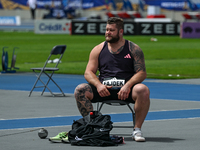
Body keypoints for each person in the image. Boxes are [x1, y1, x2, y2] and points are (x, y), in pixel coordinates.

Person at [74, 17, 150, 142]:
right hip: (104, 89)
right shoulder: (98, 49)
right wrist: (98, 85)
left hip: (126, 91)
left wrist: (128, 85)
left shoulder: (133, 49)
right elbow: (88, 73)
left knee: (143, 89)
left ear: (120, 32)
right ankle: (93, 127)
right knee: (80, 90)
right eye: (107, 29)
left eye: (111, 30)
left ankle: (137, 130)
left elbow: (141, 73)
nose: (107, 32)